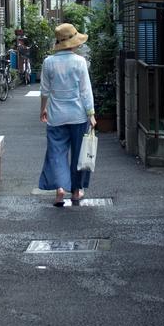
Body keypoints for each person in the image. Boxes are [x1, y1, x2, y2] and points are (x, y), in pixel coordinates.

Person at [38, 23, 96, 207]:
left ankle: (60, 189)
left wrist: (43, 109)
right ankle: (77, 191)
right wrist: (91, 113)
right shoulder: (79, 62)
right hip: (78, 115)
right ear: (73, 42)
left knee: (57, 154)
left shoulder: (48, 62)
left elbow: (44, 90)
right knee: (79, 154)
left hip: (56, 116)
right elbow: (85, 90)